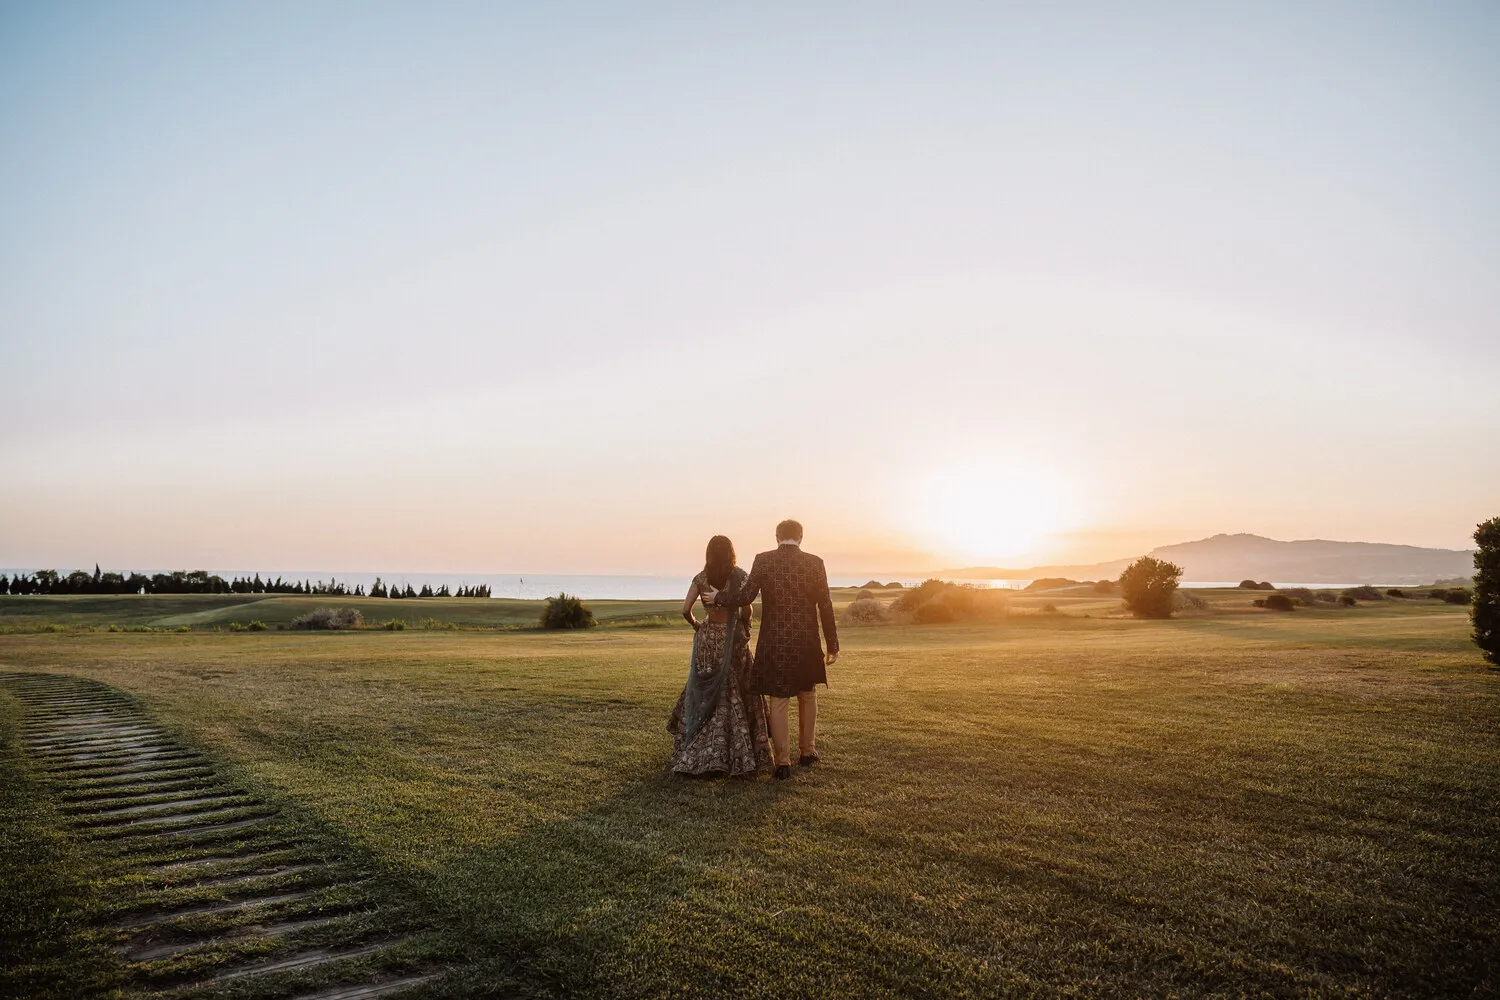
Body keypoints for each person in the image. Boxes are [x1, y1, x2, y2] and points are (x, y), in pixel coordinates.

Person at [702, 519, 838, 780]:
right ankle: (808, 752)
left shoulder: (763, 560)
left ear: (777, 537)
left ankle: (783, 763)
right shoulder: (814, 562)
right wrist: (833, 645)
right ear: (801, 537)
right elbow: (826, 605)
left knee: (778, 699)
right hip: (807, 640)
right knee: (807, 694)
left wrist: (717, 597)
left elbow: (745, 597)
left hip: (774, 641)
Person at [666, 535, 773, 776]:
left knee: (706, 688)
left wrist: (698, 625)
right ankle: (738, 753)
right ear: (731, 553)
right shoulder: (739, 577)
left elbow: (685, 610)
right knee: (734, 690)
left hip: (707, 638)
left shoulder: (700, 578)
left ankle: (696, 748)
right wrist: (746, 624)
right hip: (731, 638)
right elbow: (747, 609)